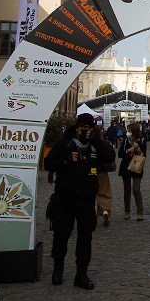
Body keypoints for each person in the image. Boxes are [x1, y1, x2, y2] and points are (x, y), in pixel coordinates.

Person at [44, 113, 115, 289]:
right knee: (61, 236)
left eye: (90, 128)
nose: (87, 131)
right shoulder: (65, 144)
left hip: (86, 199)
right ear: (77, 128)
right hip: (66, 198)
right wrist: (66, 161)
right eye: (84, 128)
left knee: (85, 238)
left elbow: (110, 158)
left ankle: (81, 273)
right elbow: (48, 163)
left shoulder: (95, 145)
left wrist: (96, 141)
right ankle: (58, 269)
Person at [119, 123, 147, 220]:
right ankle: (127, 211)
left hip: (137, 167)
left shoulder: (142, 140)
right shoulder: (126, 140)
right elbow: (120, 154)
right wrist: (129, 150)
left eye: (130, 130)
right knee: (127, 190)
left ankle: (140, 212)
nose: (128, 132)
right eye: (128, 130)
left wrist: (138, 150)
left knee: (136, 189)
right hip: (126, 167)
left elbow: (144, 155)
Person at [94, 126, 114, 227]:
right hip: (101, 170)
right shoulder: (103, 143)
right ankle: (105, 210)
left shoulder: (87, 143)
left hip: (88, 171)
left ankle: (92, 213)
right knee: (104, 191)